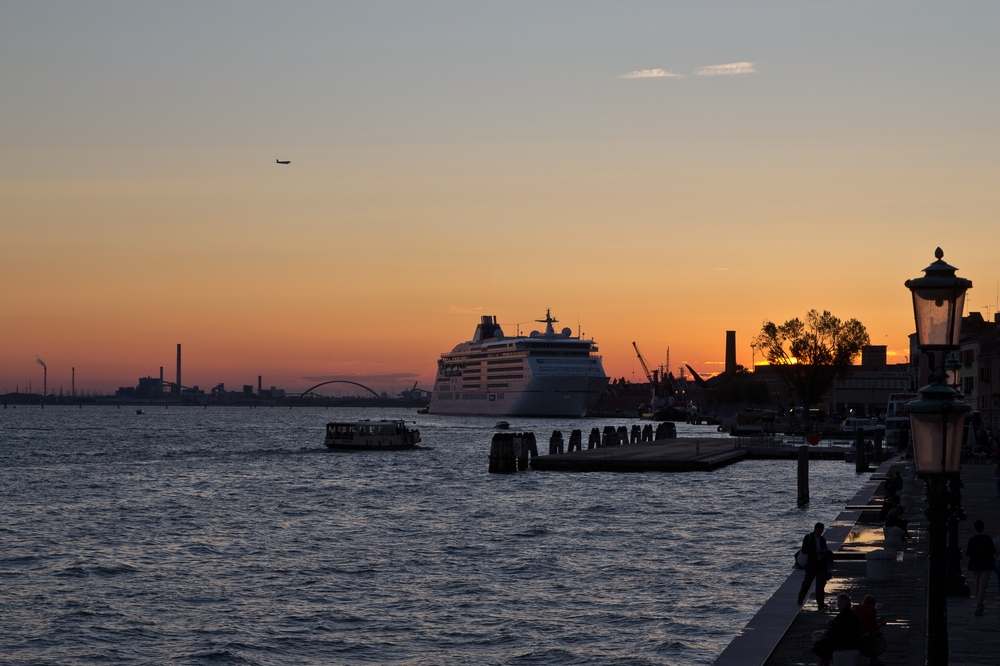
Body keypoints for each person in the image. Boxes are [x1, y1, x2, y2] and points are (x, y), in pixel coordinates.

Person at [813, 593, 862, 666]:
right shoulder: (849, 613)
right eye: (838, 602)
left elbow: (837, 630)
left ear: (845, 603)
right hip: (850, 641)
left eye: (840, 602)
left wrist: (829, 628)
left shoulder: (844, 615)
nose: (838, 604)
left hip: (845, 643)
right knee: (821, 645)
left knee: (818, 647)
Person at [967, 519, 997, 616]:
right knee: (982, 587)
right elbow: (993, 550)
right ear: (983, 528)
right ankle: (978, 607)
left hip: (975, 566)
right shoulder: (988, 539)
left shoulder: (972, 540)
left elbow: (968, 553)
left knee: (977, 586)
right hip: (985, 566)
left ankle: (979, 604)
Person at [798, 522, 831, 609]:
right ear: (815, 529)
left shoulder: (823, 539)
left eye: (821, 531)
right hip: (811, 564)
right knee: (807, 583)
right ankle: (800, 598)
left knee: (820, 585)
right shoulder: (808, 538)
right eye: (819, 531)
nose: (820, 533)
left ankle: (820, 603)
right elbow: (804, 550)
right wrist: (815, 551)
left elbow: (825, 549)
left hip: (820, 564)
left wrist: (823, 552)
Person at [853, 595, 887, 666]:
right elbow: (875, 627)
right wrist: (882, 624)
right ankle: (874, 657)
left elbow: (866, 622)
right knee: (877, 636)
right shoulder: (871, 609)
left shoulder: (856, 608)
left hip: (855, 632)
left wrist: (878, 620)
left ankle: (874, 658)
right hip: (865, 633)